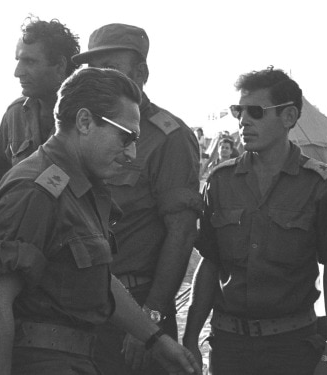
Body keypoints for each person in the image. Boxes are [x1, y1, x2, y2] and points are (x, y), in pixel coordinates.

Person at [0, 67, 201, 375]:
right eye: (126, 137)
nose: (132, 152)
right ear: (84, 122)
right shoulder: (36, 190)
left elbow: (99, 281)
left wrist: (156, 339)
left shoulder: (78, 187)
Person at [182, 67, 327, 375]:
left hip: (292, 348)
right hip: (229, 348)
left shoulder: (323, 185)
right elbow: (210, 264)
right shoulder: (220, 181)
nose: (243, 120)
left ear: (289, 117)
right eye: (238, 111)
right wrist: (189, 342)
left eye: (255, 111)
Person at [72, 23, 202, 375]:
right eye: (91, 69)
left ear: (140, 73)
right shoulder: (84, 129)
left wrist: (150, 322)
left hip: (137, 304)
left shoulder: (167, 138)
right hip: (82, 305)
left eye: (110, 68)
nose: (99, 77)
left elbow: (182, 233)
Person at [0, 16, 80, 185]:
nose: (18, 72)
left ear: (60, 66)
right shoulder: (14, 114)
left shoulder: (86, 119)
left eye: (29, 61)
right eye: (19, 61)